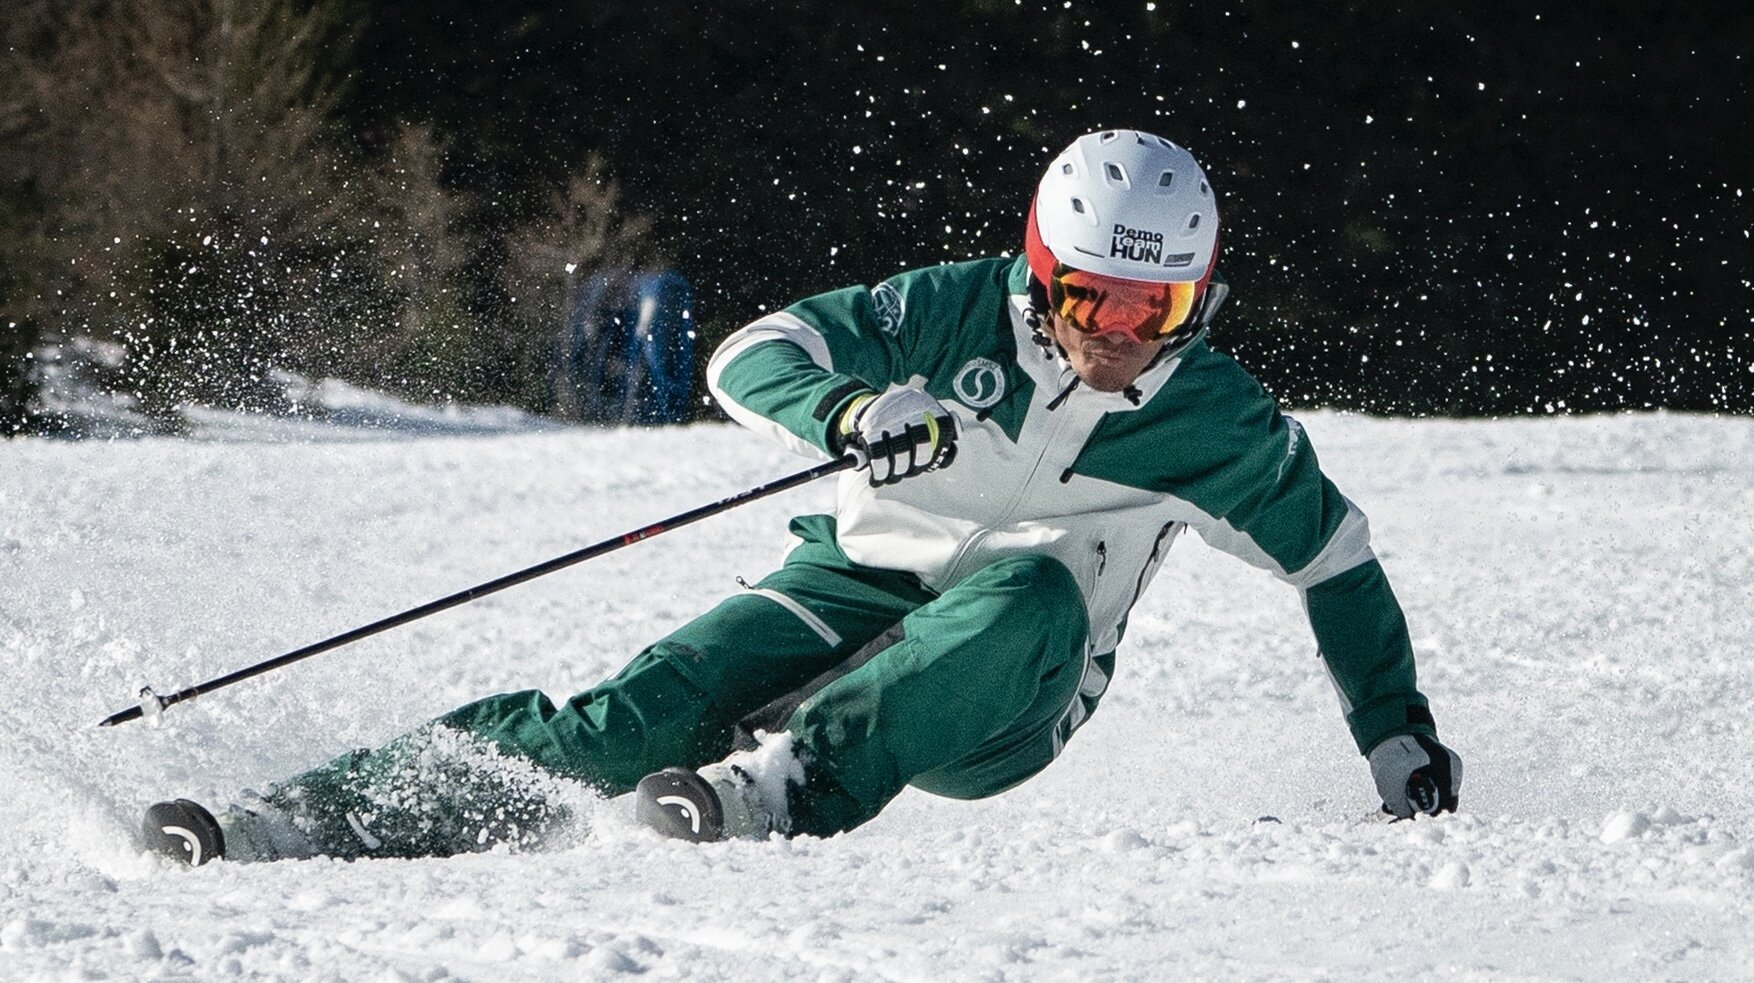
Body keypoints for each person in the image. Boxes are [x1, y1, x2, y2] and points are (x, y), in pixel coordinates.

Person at [143, 129, 1461, 866]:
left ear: (1193, 293)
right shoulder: (947, 309)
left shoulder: (1213, 418)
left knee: (1032, 588)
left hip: (1009, 680)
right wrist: (848, 411)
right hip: (848, 583)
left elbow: (1333, 560)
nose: (1117, 334)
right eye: (1090, 298)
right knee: (629, 718)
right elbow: (747, 354)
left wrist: (1395, 736)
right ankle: (304, 816)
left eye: (1152, 307)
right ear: (1040, 268)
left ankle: (780, 786)